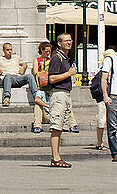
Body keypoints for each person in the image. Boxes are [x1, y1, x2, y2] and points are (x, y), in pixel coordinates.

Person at [47, 32, 78, 168]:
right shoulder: (56, 58)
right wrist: (69, 73)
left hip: (65, 94)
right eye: (66, 41)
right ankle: (55, 157)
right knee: (56, 126)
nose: (69, 43)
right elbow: (52, 78)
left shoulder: (66, 58)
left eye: (70, 40)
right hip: (58, 94)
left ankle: (57, 156)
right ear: (59, 43)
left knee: (60, 127)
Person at [0, 41, 39, 108]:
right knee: (8, 76)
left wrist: (23, 67)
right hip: (7, 79)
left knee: (30, 76)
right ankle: (6, 98)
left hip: (18, 77)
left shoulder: (16, 57)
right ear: (3, 50)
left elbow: (25, 64)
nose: (9, 51)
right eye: (7, 50)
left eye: (11, 49)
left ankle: (37, 96)